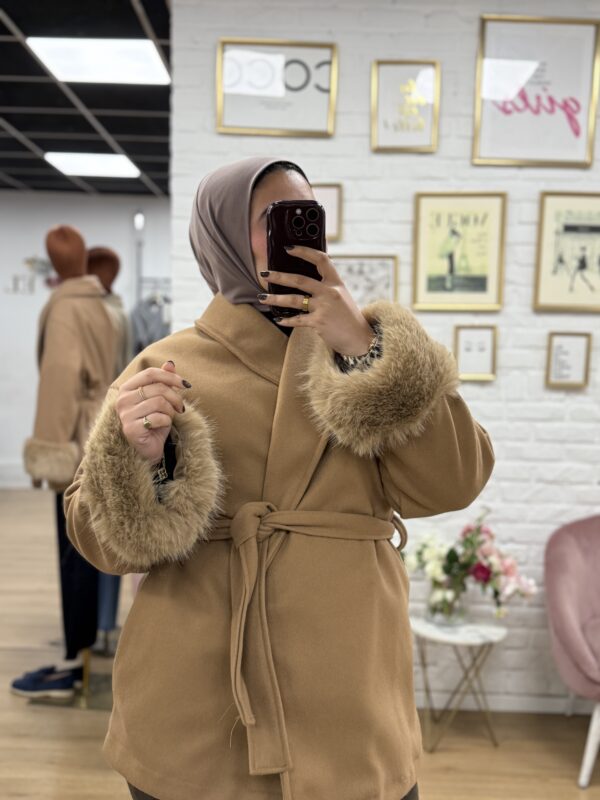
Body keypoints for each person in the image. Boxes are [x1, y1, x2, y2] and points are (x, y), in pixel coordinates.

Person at [64, 157, 495, 800]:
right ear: (223, 237)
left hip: (351, 688)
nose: (296, 231)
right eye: (272, 218)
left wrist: (366, 347)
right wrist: (138, 458)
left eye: (307, 215)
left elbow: (455, 481)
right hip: (198, 692)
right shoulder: (164, 363)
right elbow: (100, 543)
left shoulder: (366, 351)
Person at [12, 225, 117, 699]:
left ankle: (73, 665)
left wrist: (50, 450)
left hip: (75, 441)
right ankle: (85, 651)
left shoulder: (66, 309)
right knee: (88, 546)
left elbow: (59, 381)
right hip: (99, 431)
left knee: (73, 548)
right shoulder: (100, 304)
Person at [87, 246, 133, 653]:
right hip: (112, 420)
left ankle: (92, 632)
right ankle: (103, 624)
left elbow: (59, 378)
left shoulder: (83, 312)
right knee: (109, 530)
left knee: (95, 533)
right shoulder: (118, 311)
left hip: (89, 428)